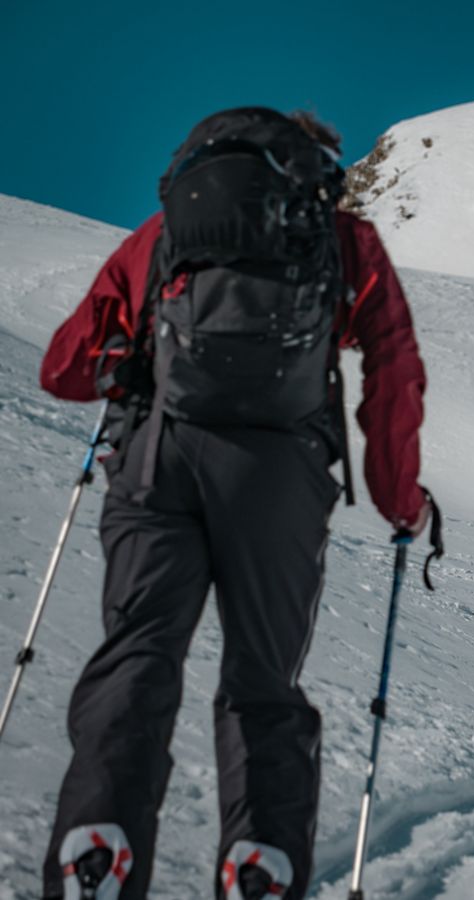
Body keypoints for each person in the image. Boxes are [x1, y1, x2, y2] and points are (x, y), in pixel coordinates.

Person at [37, 108, 429, 900]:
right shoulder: (344, 241)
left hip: (157, 458)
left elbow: (63, 371)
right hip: (279, 476)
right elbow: (394, 363)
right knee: (263, 680)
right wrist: (398, 498)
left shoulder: (166, 233)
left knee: (139, 655)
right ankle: (260, 863)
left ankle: (96, 847)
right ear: (317, 167)